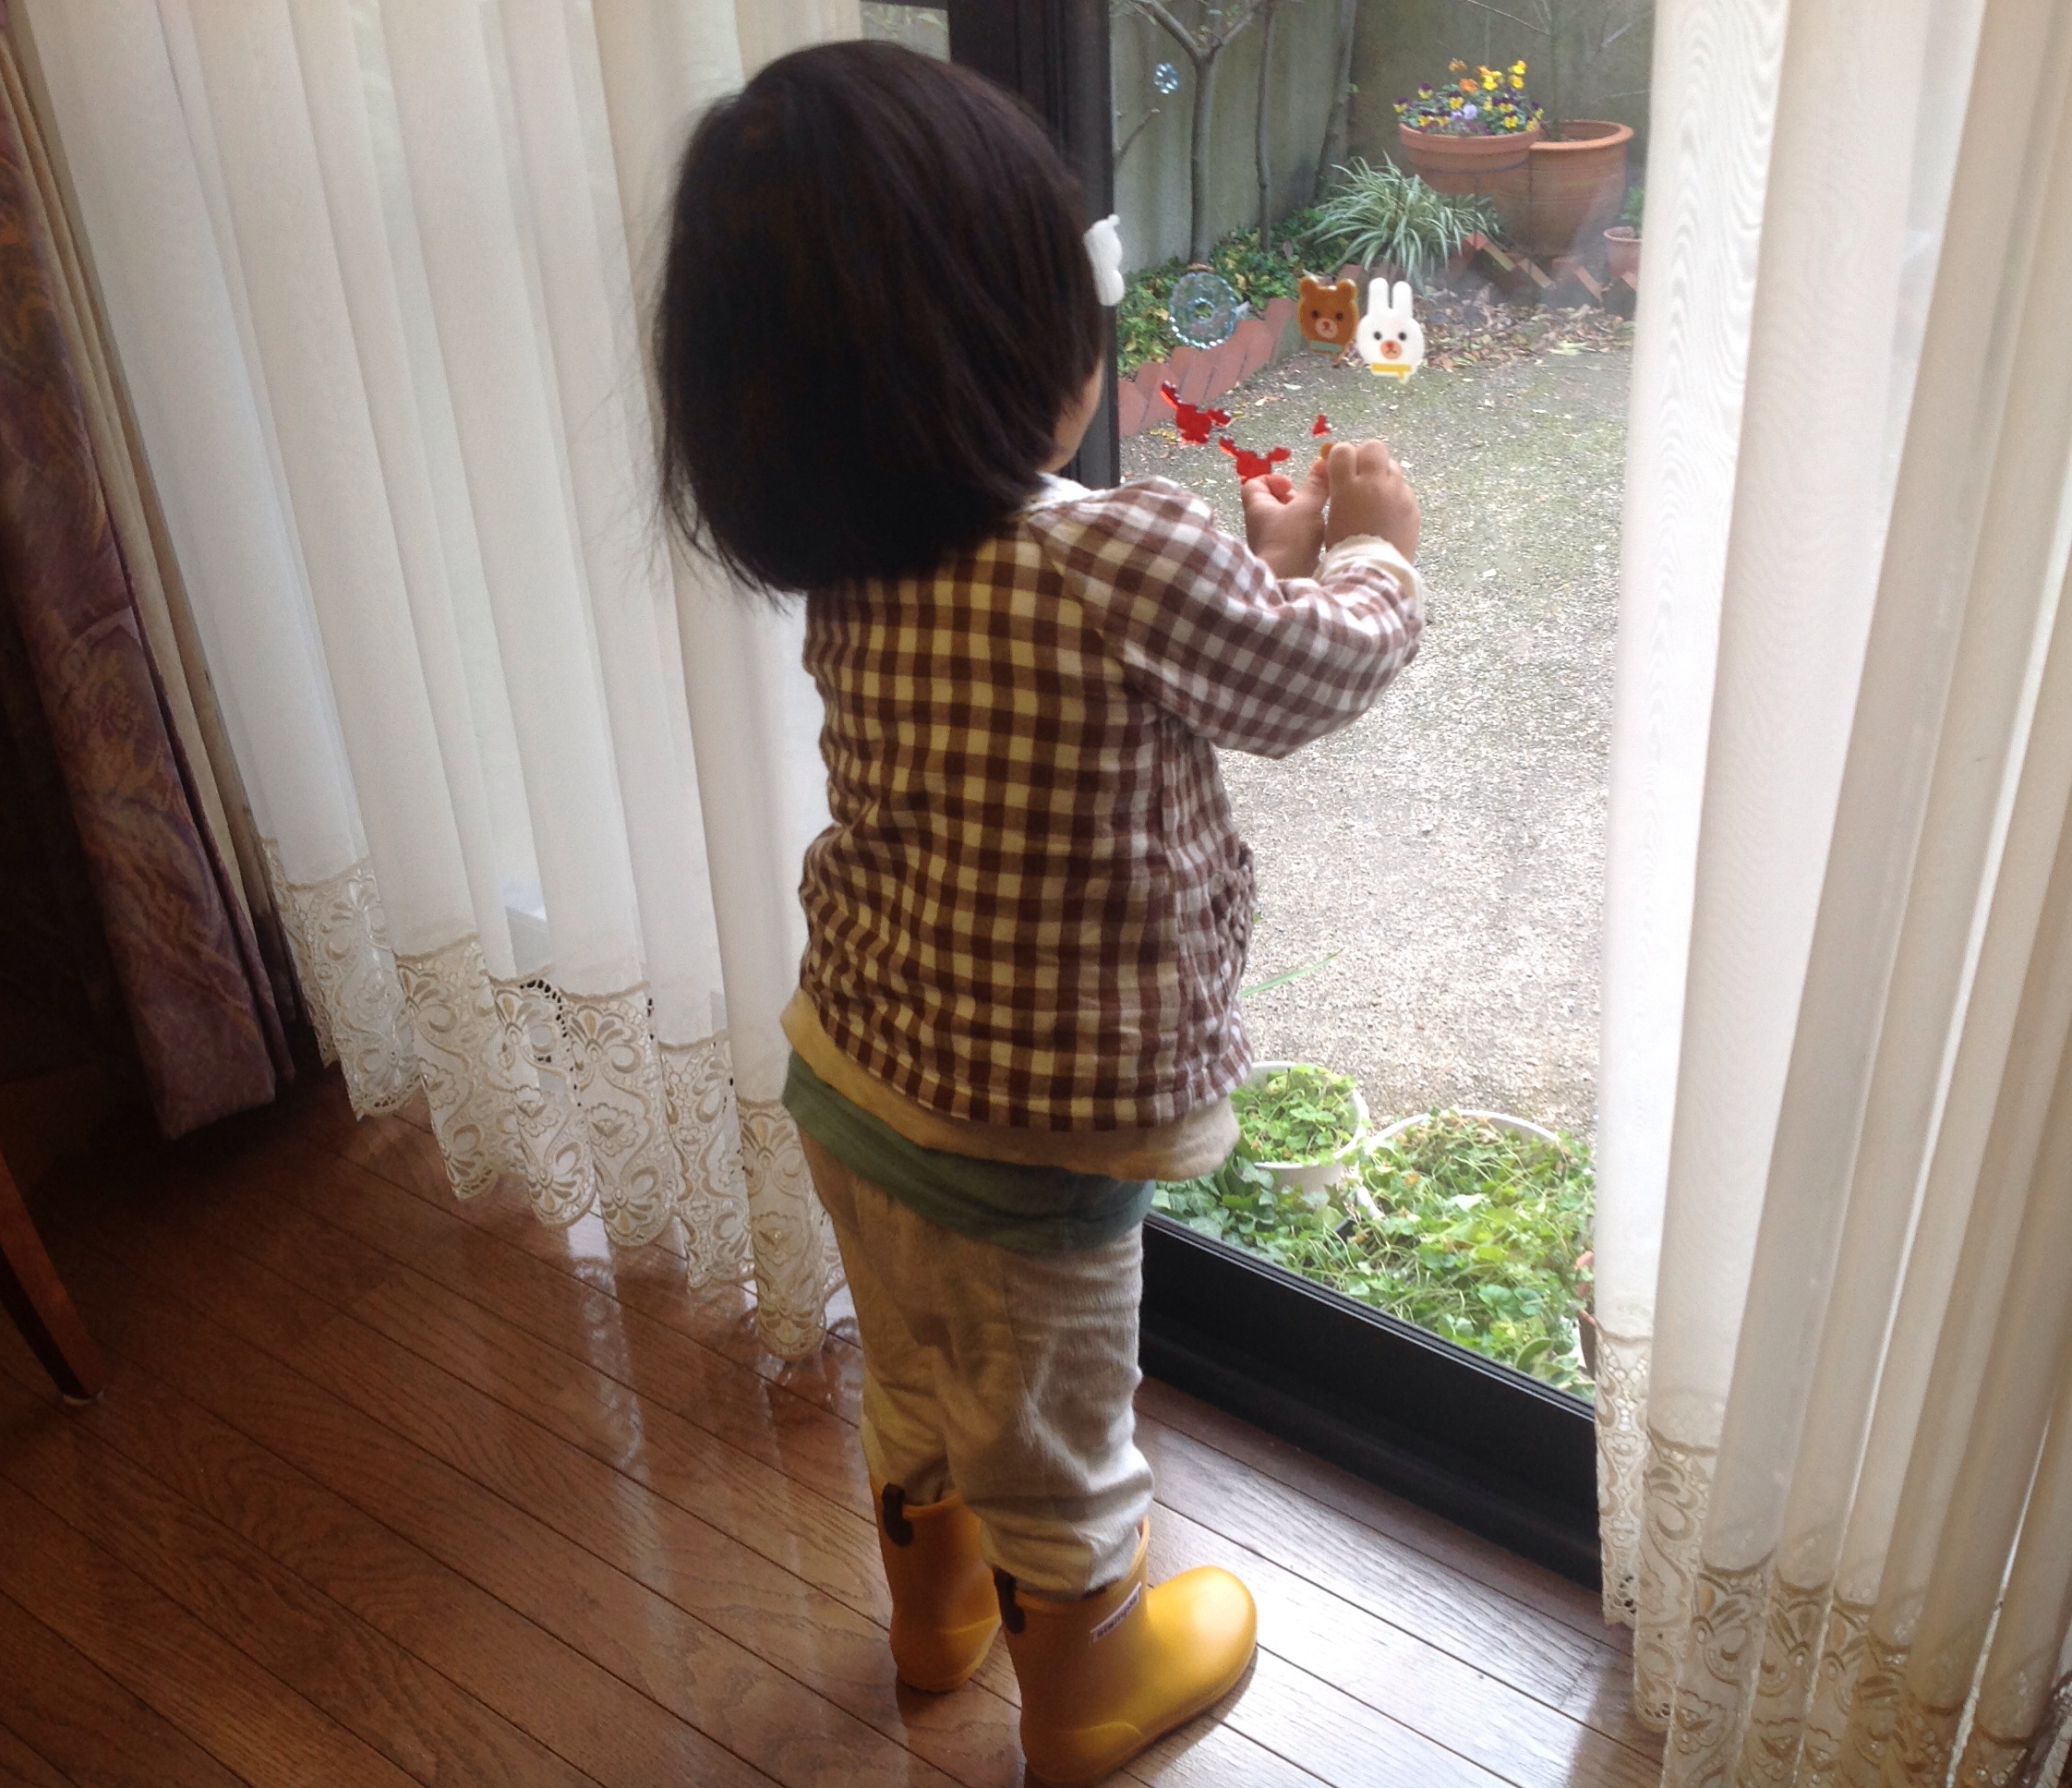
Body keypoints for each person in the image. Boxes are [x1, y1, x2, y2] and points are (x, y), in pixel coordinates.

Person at [655, 40, 1423, 1785]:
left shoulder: (863, 550)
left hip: (850, 1071)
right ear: (1017, 341)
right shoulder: (1118, 553)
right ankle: (1085, 1695)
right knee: (1056, 1434)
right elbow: (1299, 678)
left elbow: (1141, 666)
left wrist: (1250, 568)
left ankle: (934, 1622)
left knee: (919, 1375)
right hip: (1028, 1144)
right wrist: (1369, 551)